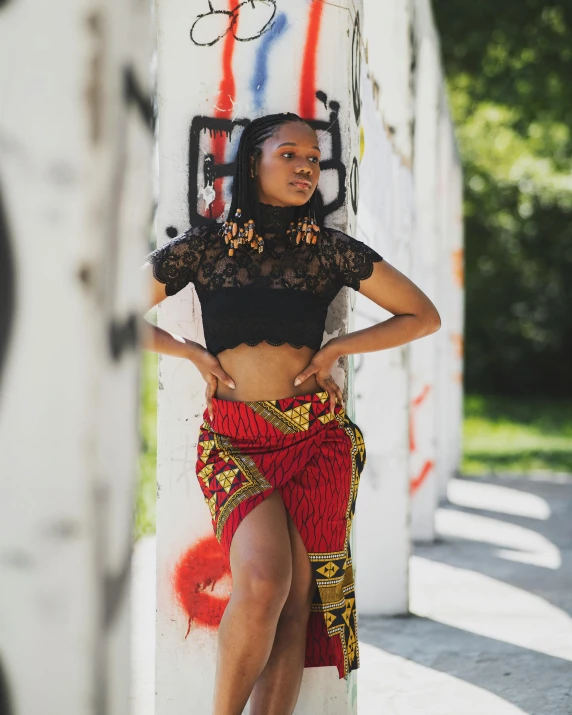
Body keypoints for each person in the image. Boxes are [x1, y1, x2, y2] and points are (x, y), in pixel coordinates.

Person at [141, 112, 440, 715]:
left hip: (314, 439)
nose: (305, 167)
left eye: (313, 159)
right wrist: (189, 353)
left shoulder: (328, 251)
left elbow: (423, 315)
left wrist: (337, 348)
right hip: (235, 442)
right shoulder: (205, 248)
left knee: (299, 598)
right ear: (253, 163)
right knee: (263, 584)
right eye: (289, 155)